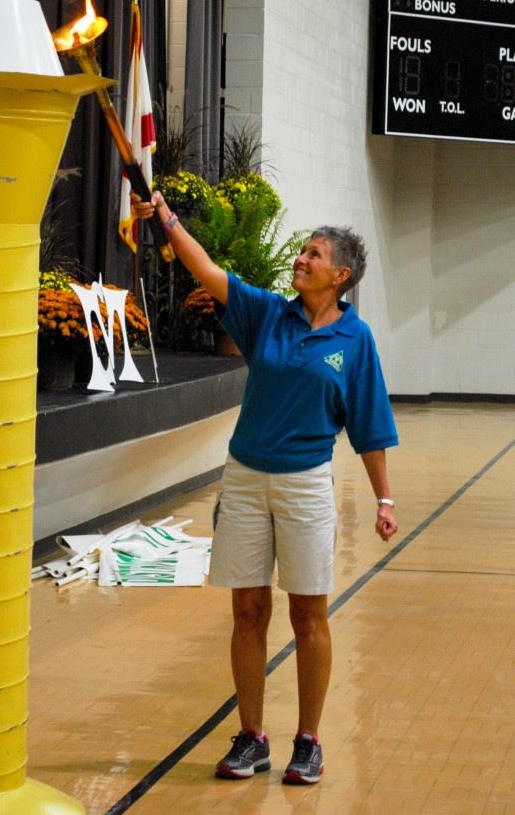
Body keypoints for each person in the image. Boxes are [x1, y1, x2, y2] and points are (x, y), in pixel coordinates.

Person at [132, 189, 398, 786]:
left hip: (306, 486)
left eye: (313, 253)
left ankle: (309, 740)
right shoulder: (265, 314)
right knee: (248, 609)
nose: (300, 259)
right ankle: (251, 737)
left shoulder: (355, 343)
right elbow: (203, 267)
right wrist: (167, 217)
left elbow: (370, 424)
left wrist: (385, 498)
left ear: (341, 275)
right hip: (246, 480)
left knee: (309, 615)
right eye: (302, 250)